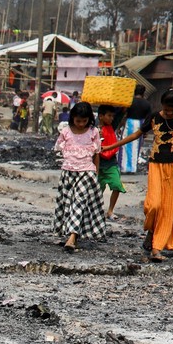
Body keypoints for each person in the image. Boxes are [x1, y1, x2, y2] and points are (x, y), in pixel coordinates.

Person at [111, 88, 173, 262]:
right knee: (153, 205)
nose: (169, 113)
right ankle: (151, 230)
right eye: (167, 109)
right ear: (162, 105)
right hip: (156, 165)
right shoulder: (154, 117)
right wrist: (113, 146)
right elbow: (138, 134)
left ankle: (156, 247)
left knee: (168, 208)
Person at [52, 101, 104, 252]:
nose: (81, 124)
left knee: (79, 202)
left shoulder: (93, 132)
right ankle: (73, 234)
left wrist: (96, 173)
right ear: (72, 118)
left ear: (89, 119)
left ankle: (72, 237)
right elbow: (60, 150)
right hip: (68, 172)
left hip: (87, 172)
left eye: (84, 121)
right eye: (78, 121)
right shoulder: (66, 132)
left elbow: (96, 155)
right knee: (68, 204)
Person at [96, 105, 125, 219]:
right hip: (99, 163)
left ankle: (110, 211)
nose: (112, 118)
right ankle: (97, 211)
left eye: (113, 116)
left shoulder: (112, 126)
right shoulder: (94, 129)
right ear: (101, 116)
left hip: (111, 163)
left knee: (117, 185)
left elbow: (120, 115)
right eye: (109, 116)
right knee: (98, 190)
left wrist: (122, 109)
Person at [119, 85, 150, 174]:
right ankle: (132, 168)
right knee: (136, 147)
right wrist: (145, 130)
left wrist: (119, 127)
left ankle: (123, 167)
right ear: (143, 93)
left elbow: (123, 113)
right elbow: (149, 118)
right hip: (140, 124)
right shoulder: (147, 104)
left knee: (125, 145)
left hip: (129, 123)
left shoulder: (129, 101)